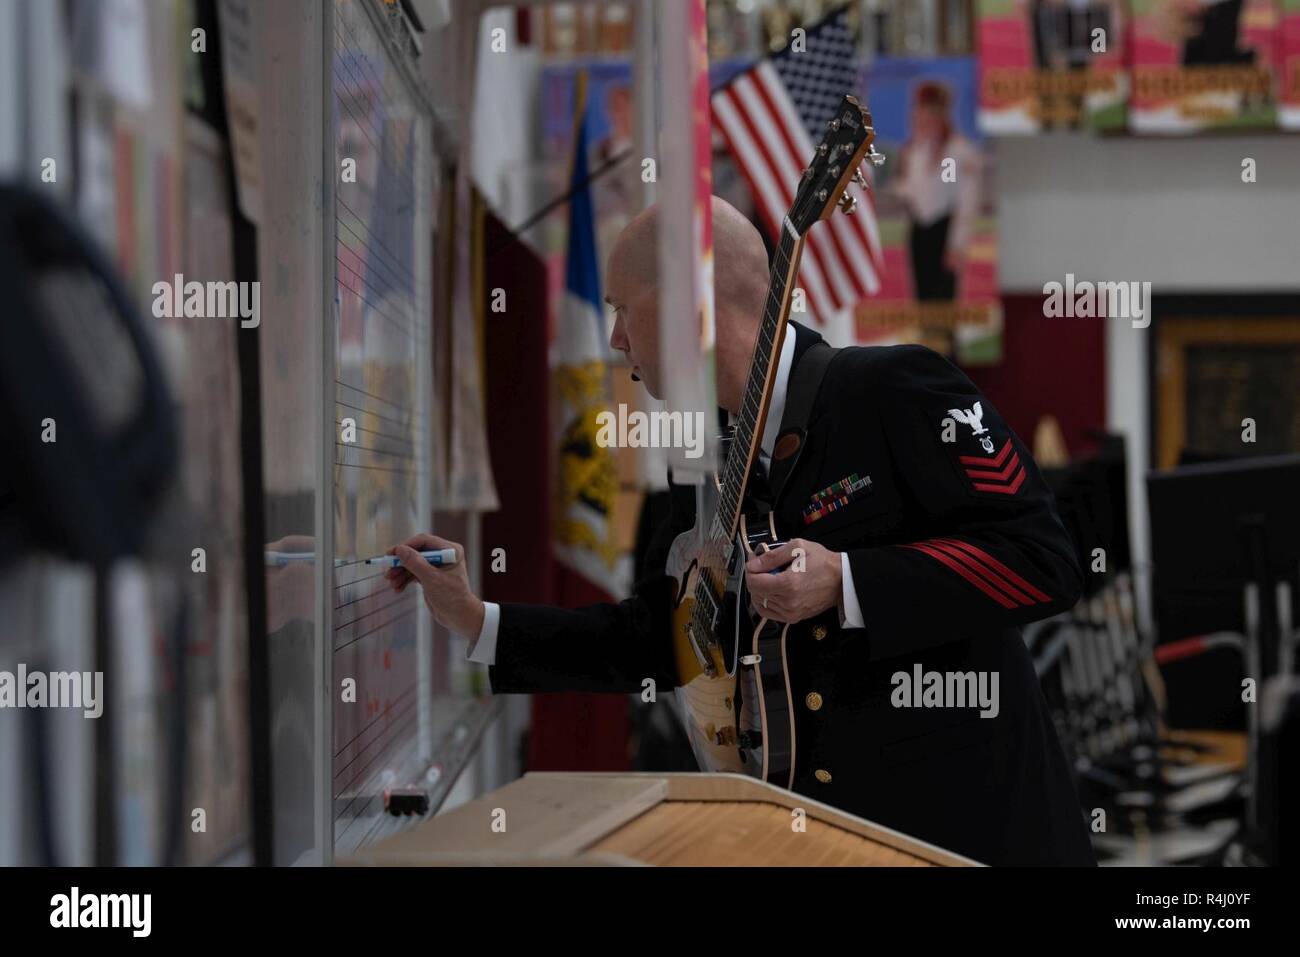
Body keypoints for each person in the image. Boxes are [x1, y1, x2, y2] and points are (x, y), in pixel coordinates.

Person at [387, 196, 1096, 866]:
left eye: (622, 309)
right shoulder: (702, 461)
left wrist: (847, 581)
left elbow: (1044, 558)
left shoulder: (893, 390)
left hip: (973, 837)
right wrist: (480, 620)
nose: (614, 338)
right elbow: (666, 641)